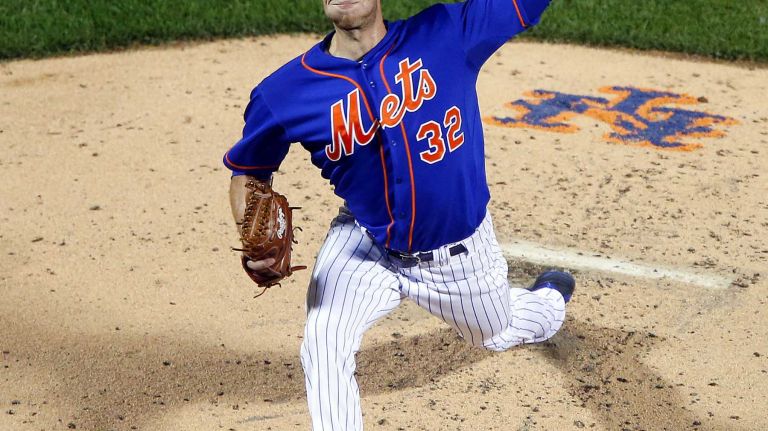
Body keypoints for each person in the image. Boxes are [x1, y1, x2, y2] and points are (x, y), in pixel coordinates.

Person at [224, 0, 575, 429]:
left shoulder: (447, 32)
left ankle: (547, 301)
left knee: (496, 330)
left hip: (459, 257)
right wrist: (251, 233)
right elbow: (248, 171)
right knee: (324, 340)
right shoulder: (283, 93)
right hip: (364, 244)